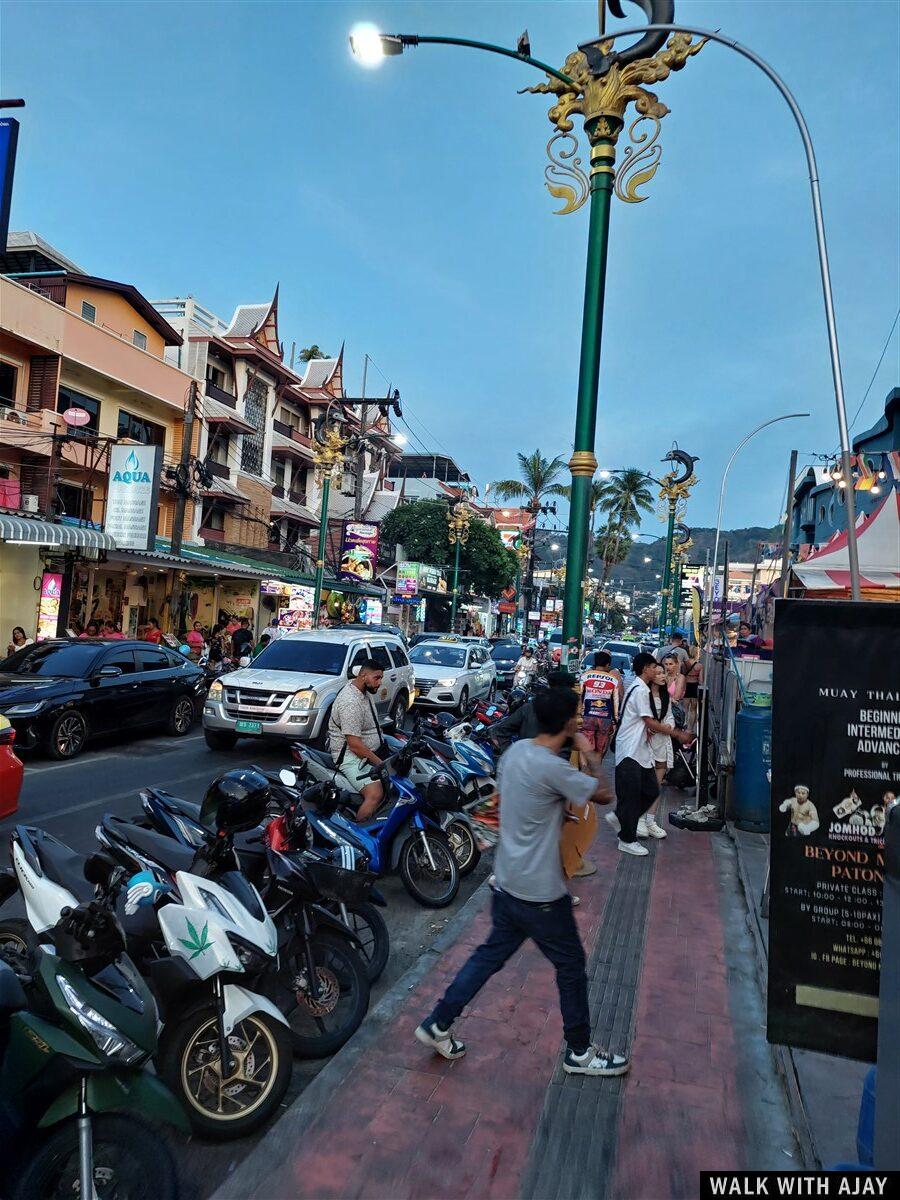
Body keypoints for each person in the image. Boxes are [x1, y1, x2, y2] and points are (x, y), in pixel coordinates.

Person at [415, 687, 629, 1077]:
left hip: (508, 881)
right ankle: (580, 1052)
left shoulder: (517, 753)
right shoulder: (555, 768)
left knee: (487, 958)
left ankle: (438, 1023)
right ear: (566, 722)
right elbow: (603, 793)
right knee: (570, 966)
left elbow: (524, 803)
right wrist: (591, 752)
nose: (581, 720)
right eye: (577, 715)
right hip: (540, 892)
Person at [605, 652, 694, 856]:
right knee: (632, 795)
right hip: (630, 750)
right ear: (645, 668)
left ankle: (621, 817)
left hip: (640, 750)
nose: (658, 670)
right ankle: (627, 839)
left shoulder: (642, 688)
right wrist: (678, 734)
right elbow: (650, 721)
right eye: (655, 667)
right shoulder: (639, 690)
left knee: (651, 790)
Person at [328, 657, 386, 822]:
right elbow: (355, 746)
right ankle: (359, 837)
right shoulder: (350, 702)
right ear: (363, 676)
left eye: (381, 677)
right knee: (375, 794)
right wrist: (381, 765)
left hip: (368, 753)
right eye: (377, 678)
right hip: (349, 757)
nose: (380, 682)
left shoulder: (363, 693)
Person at [641, 663, 674, 840]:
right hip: (645, 744)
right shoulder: (642, 694)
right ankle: (638, 819)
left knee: (656, 785)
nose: (663, 675)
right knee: (643, 783)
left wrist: (667, 726)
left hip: (661, 743)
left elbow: (669, 716)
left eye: (664, 672)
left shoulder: (665, 696)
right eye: (659, 672)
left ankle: (650, 821)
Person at [580, 650, 619, 761]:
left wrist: (580, 713)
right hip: (605, 718)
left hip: (587, 716)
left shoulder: (585, 676)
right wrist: (615, 720)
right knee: (599, 749)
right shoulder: (613, 680)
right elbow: (615, 701)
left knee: (585, 747)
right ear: (608, 665)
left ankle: (584, 770)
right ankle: (595, 774)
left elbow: (580, 696)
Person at [683, 642, 701, 731]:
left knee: (685, 708)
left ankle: (684, 723)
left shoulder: (684, 664)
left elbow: (681, 676)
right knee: (693, 709)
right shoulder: (699, 666)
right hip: (694, 686)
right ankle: (690, 729)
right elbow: (701, 680)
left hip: (686, 686)